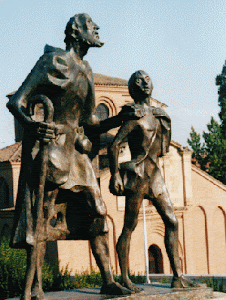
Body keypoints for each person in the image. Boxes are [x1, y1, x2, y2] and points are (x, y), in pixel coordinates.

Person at [7, 13, 130, 300]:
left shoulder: (86, 69)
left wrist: (118, 119)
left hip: (77, 153)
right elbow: (17, 102)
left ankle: (108, 280)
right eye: (91, 26)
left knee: (98, 211)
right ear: (76, 32)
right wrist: (34, 124)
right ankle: (35, 286)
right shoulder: (51, 62)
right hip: (52, 151)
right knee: (42, 216)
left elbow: (90, 120)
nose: (97, 29)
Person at [108, 70, 198, 292]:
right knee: (129, 226)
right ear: (133, 88)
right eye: (139, 81)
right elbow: (114, 144)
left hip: (155, 175)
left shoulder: (159, 115)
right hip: (138, 174)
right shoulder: (134, 115)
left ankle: (177, 277)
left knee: (172, 222)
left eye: (147, 79)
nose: (145, 83)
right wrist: (116, 174)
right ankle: (125, 278)